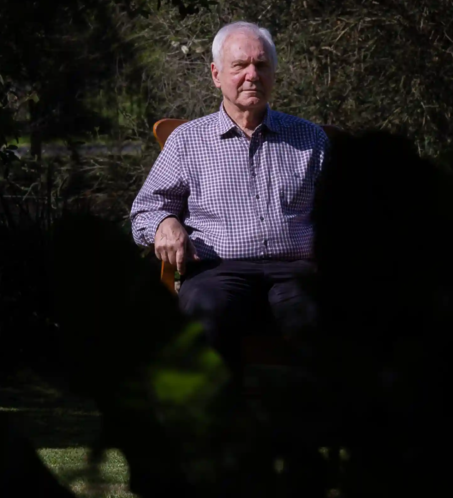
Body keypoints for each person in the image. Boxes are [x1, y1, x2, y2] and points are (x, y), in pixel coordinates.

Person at [130, 21, 329, 369]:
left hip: (297, 271)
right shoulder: (187, 141)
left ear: (274, 73)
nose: (252, 75)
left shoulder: (309, 139)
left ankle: (319, 420)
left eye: (262, 65)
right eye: (240, 66)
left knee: (327, 323)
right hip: (217, 271)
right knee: (204, 321)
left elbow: (347, 210)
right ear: (216, 74)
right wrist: (165, 224)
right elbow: (146, 210)